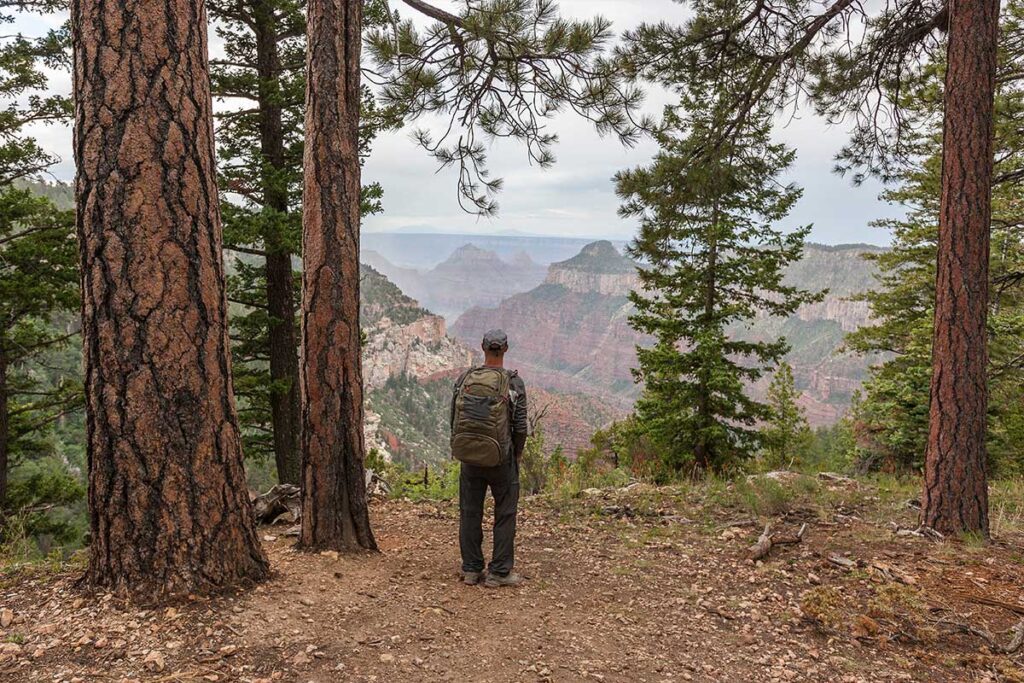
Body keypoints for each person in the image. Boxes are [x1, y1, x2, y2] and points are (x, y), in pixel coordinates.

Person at [452, 329, 528, 588]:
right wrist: (516, 455)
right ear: (505, 350)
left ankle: (472, 569)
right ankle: (499, 572)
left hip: (470, 457)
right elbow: (520, 427)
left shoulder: (465, 378)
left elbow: (453, 418)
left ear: (482, 348)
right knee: (505, 513)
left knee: (470, 512)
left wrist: (464, 448)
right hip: (501, 459)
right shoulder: (514, 383)